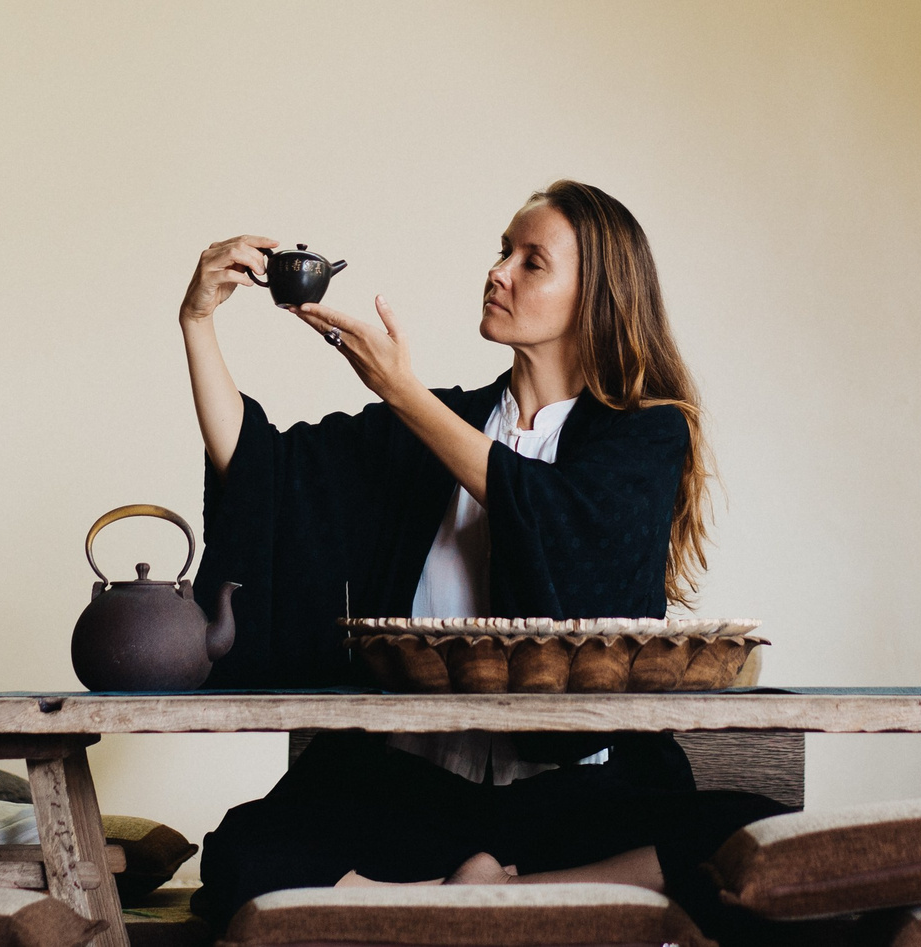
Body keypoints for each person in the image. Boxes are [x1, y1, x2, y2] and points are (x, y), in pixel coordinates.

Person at [179, 180, 785, 930]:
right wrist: (198, 319)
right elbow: (262, 470)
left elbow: (560, 518)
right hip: (416, 788)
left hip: (573, 796)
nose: (499, 271)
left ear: (594, 296)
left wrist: (405, 395)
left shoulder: (643, 435)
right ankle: (459, 900)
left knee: (753, 837)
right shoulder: (433, 425)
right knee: (245, 851)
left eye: (534, 261)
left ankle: (477, 900)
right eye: (504, 250)